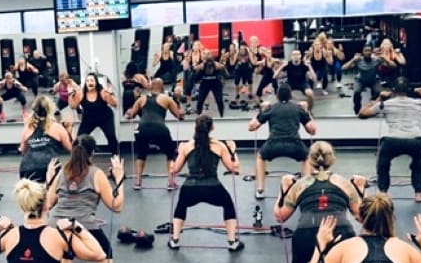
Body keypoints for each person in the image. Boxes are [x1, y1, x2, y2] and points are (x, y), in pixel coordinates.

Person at [274, 142, 363, 263]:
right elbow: (361, 216)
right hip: (341, 231)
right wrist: (361, 190)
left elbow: (280, 216)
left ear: (310, 160)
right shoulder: (345, 184)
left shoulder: (300, 185)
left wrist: (282, 190)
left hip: (306, 233)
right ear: (333, 159)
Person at [46, 136, 125, 263]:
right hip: (83, 225)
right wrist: (119, 178)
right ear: (93, 153)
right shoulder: (96, 173)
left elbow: (49, 203)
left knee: (66, 253)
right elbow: (116, 206)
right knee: (106, 255)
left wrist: (49, 180)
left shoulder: (62, 172)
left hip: (56, 226)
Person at [357, 77, 421, 202]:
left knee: (383, 162)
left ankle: (383, 192)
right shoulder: (420, 102)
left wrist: (379, 98)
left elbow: (362, 114)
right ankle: (419, 193)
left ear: (393, 90)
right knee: (418, 162)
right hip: (415, 141)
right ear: (409, 89)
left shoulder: (385, 104)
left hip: (393, 141)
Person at [167, 115, 243, 251]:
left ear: (195, 127)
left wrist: (176, 153)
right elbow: (234, 169)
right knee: (228, 204)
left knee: (181, 205)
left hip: (190, 188)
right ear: (212, 127)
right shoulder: (219, 146)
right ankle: (232, 242)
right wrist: (233, 151)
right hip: (212, 188)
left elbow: (174, 170)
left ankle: (175, 240)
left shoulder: (187, 146)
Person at [248, 85, 317, 200]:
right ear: (290, 96)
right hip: (294, 145)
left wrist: (262, 110)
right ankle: (304, 190)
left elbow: (251, 127)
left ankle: (260, 190)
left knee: (260, 157)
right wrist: (307, 111)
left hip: (273, 144)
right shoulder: (297, 108)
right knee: (307, 157)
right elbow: (312, 130)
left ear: (277, 97)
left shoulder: (272, 108)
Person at [125, 77, 185, 189]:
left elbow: (130, 115)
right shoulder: (166, 99)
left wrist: (130, 110)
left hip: (142, 129)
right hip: (159, 128)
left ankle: (138, 181)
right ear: (162, 87)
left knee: (141, 153)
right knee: (170, 153)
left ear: (150, 87)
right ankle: (171, 182)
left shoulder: (142, 99)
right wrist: (178, 101)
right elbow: (179, 115)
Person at [18, 95, 72, 182]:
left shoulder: (27, 128)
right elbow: (70, 148)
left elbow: (22, 150)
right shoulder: (57, 127)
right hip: (48, 167)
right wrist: (69, 129)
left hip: (27, 167)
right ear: (50, 110)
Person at [68, 72, 119, 155]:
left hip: (105, 118)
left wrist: (110, 94)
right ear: (85, 83)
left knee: (111, 136)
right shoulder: (81, 93)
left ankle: (116, 157)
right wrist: (70, 94)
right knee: (79, 139)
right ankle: (77, 158)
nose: (90, 82)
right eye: (87, 81)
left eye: (92, 80)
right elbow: (73, 106)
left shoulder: (102, 92)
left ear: (96, 83)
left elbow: (115, 104)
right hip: (89, 119)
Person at [344, 45, 384, 114]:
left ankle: (374, 104)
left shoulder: (376, 60)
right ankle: (357, 109)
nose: (368, 52)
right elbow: (344, 68)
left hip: (373, 80)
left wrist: (384, 58)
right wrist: (353, 59)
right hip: (361, 80)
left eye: (369, 51)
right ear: (363, 52)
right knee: (356, 92)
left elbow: (393, 66)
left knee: (378, 92)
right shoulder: (359, 60)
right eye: (366, 51)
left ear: (372, 52)